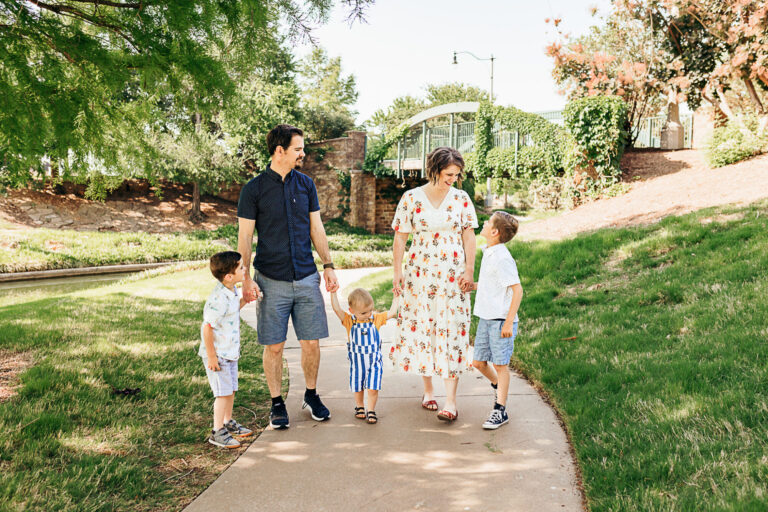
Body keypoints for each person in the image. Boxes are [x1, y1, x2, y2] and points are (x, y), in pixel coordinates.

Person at [237, 124, 340, 430]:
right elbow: (245, 237)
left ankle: (311, 395)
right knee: (274, 346)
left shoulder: (306, 185)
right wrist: (245, 278)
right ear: (279, 151)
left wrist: (328, 265)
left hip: (306, 276)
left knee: (311, 343)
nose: (302, 154)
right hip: (270, 280)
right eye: (298, 149)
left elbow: (316, 227)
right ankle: (277, 403)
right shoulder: (253, 190)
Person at [390, 146, 478, 422]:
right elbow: (400, 238)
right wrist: (397, 272)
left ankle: (450, 401)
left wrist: (469, 270)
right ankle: (428, 390)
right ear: (435, 170)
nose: (453, 179)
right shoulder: (411, 198)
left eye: (457, 174)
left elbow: (469, 237)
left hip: (453, 277)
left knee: (453, 329)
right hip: (420, 275)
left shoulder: (461, 198)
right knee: (424, 328)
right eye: (449, 174)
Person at [465, 212, 523, 429]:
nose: (485, 223)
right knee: (478, 363)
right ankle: (499, 386)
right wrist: (474, 286)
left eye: (488, 221)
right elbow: (495, 284)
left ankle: (500, 410)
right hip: (486, 318)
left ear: (495, 232)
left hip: (500, 320)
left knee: (500, 365)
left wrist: (508, 322)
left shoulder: (502, 258)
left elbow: (517, 290)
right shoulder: (490, 252)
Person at [199, 251, 255, 448]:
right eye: (241, 267)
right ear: (229, 276)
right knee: (222, 393)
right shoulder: (218, 298)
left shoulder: (231, 290)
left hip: (230, 352)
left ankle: (227, 421)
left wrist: (245, 300)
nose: (245, 269)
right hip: (218, 355)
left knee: (230, 389)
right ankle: (217, 431)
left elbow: (231, 311)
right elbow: (207, 328)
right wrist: (212, 357)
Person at [330, 288, 399, 424]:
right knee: (358, 386)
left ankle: (371, 409)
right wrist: (333, 292)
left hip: (374, 362)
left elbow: (391, 313)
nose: (368, 315)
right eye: (363, 313)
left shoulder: (375, 319)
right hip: (357, 364)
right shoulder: (349, 321)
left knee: (373, 387)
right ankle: (360, 406)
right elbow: (337, 309)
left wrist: (397, 297)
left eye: (370, 310)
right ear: (351, 311)